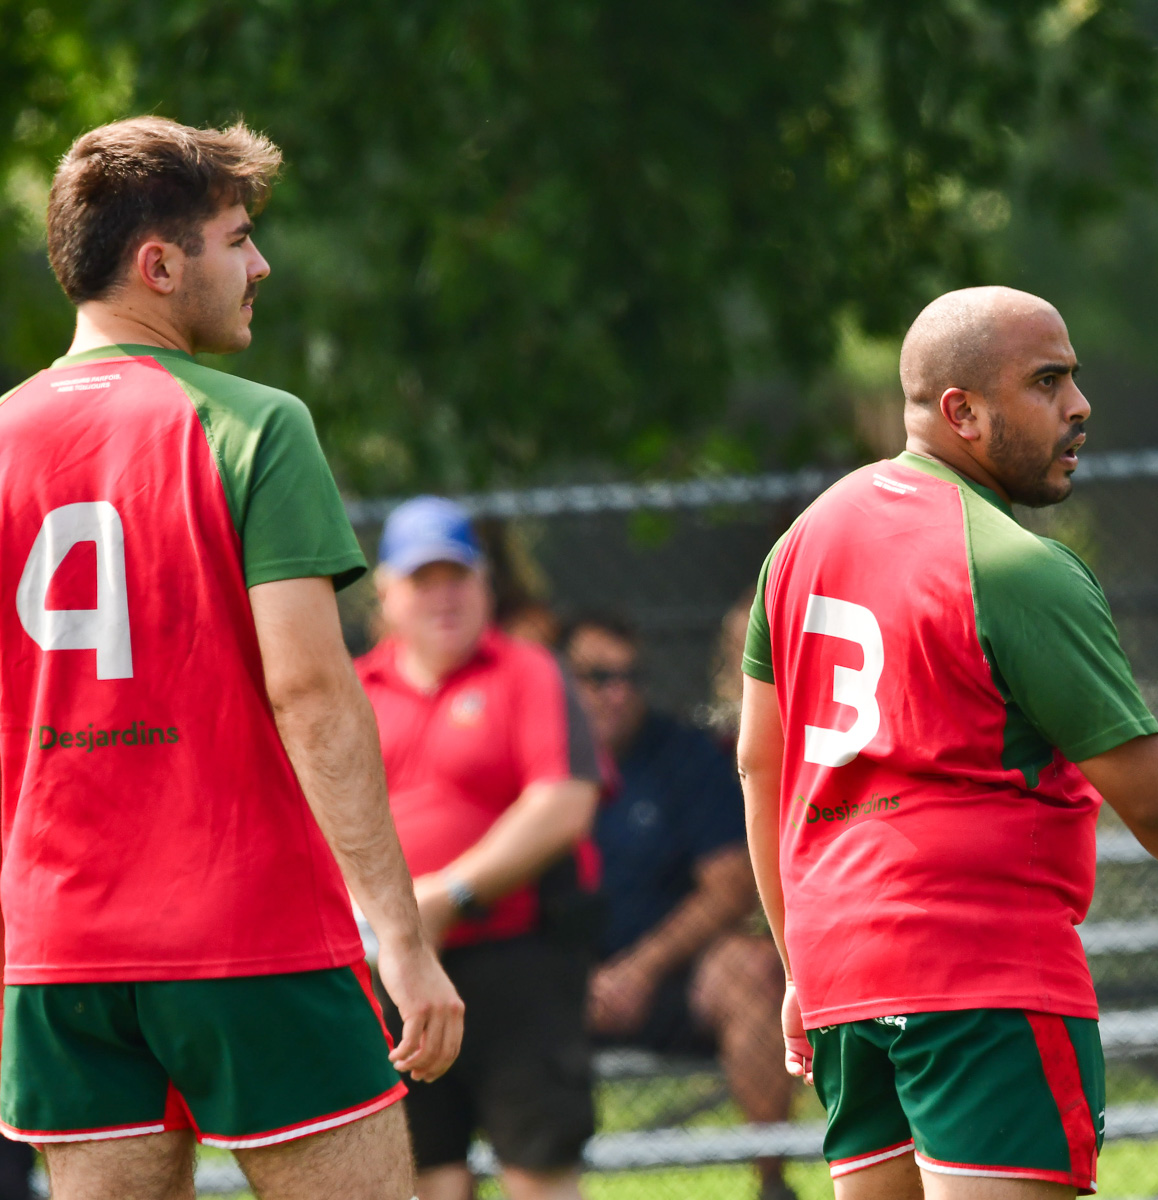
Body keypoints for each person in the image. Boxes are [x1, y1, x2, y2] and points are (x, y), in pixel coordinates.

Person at [0, 117, 462, 1198]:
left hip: (57, 949)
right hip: (245, 932)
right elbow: (310, 692)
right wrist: (400, 936)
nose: (262, 266)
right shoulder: (257, 425)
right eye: (239, 238)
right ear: (158, 266)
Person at [738, 285, 1158, 1199]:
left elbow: (762, 767)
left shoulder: (801, 543)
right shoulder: (1013, 565)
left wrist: (802, 963)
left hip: (844, 976)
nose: (1081, 406)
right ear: (964, 412)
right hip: (981, 976)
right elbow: (1150, 794)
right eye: (1047, 381)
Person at [357, 498, 601, 1200]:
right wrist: (386, 917)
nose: (444, 596)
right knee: (427, 1172)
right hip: (393, 971)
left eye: (457, 576)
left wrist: (450, 895)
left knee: (539, 1168)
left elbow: (563, 803)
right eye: (423, 580)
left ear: (486, 584)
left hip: (517, 961)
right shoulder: (353, 688)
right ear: (388, 592)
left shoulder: (526, 671)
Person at [567, 613, 796, 1200]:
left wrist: (640, 968)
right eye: (597, 676)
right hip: (558, 978)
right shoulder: (532, 755)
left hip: (670, 975)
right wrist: (576, 977)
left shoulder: (685, 756)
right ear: (562, 681)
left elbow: (730, 885)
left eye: (629, 676)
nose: (617, 692)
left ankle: (772, 1181)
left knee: (751, 968)